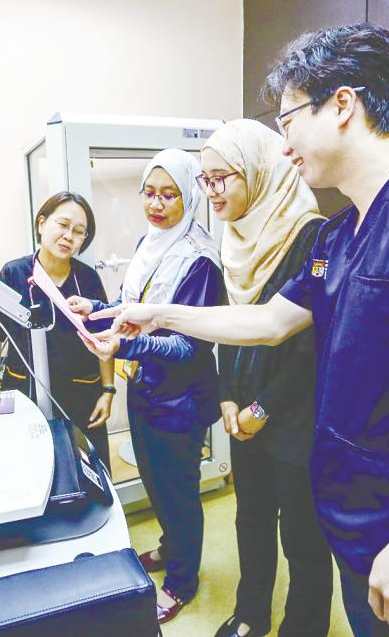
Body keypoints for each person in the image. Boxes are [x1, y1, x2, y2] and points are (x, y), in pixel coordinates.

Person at [91, 23, 389, 637]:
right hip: (357, 515)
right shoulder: (339, 233)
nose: (283, 148)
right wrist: (159, 313)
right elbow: (270, 321)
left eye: (286, 123)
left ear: (342, 105)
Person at [71, 148, 223, 624]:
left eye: (170, 195)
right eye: (150, 193)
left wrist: (123, 348)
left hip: (180, 400)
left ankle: (182, 580)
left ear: (189, 197)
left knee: (178, 492)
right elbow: (132, 304)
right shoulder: (150, 241)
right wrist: (95, 308)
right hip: (145, 391)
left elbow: (187, 348)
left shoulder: (200, 261)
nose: (157, 204)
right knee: (157, 486)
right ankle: (168, 547)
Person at [200, 119, 333, 637]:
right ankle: (251, 614)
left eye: (220, 178)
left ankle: (304, 626)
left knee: (303, 536)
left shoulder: (310, 235)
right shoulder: (234, 238)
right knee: (250, 520)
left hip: (294, 415)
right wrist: (229, 398)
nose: (211, 192)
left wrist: (263, 409)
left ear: (256, 171)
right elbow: (224, 327)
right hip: (243, 413)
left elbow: (310, 347)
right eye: (204, 181)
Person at [0, 191, 114, 471]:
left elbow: (103, 336)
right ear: (41, 224)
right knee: (34, 468)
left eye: (79, 231)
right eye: (62, 224)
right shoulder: (14, 273)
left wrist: (108, 390)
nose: (69, 235)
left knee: (90, 471)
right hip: (27, 391)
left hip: (83, 396)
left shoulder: (87, 278)